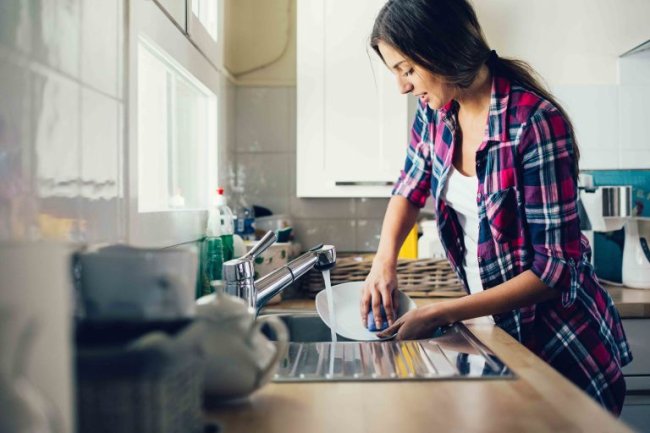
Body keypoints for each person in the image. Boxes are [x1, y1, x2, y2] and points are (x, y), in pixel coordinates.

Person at [360, 0, 632, 415]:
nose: (403, 87)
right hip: (497, 335)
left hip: (562, 350)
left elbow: (554, 270)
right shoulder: (435, 114)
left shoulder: (534, 123)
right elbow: (410, 186)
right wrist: (384, 262)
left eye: (408, 70)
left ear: (443, 49)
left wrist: (443, 312)